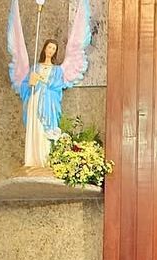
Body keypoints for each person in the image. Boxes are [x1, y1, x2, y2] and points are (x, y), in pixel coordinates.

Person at [5, 0, 94, 169]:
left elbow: (58, 86)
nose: (51, 50)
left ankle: (44, 162)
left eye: (54, 49)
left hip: (49, 105)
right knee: (34, 129)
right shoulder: (34, 68)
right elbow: (25, 88)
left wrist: (43, 80)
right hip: (35, 101)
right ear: (44, 49)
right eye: (49, 48)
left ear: (55, 52)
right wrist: (30, 82)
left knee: (46, 133)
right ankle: (32, 161)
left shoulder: (58, 70)